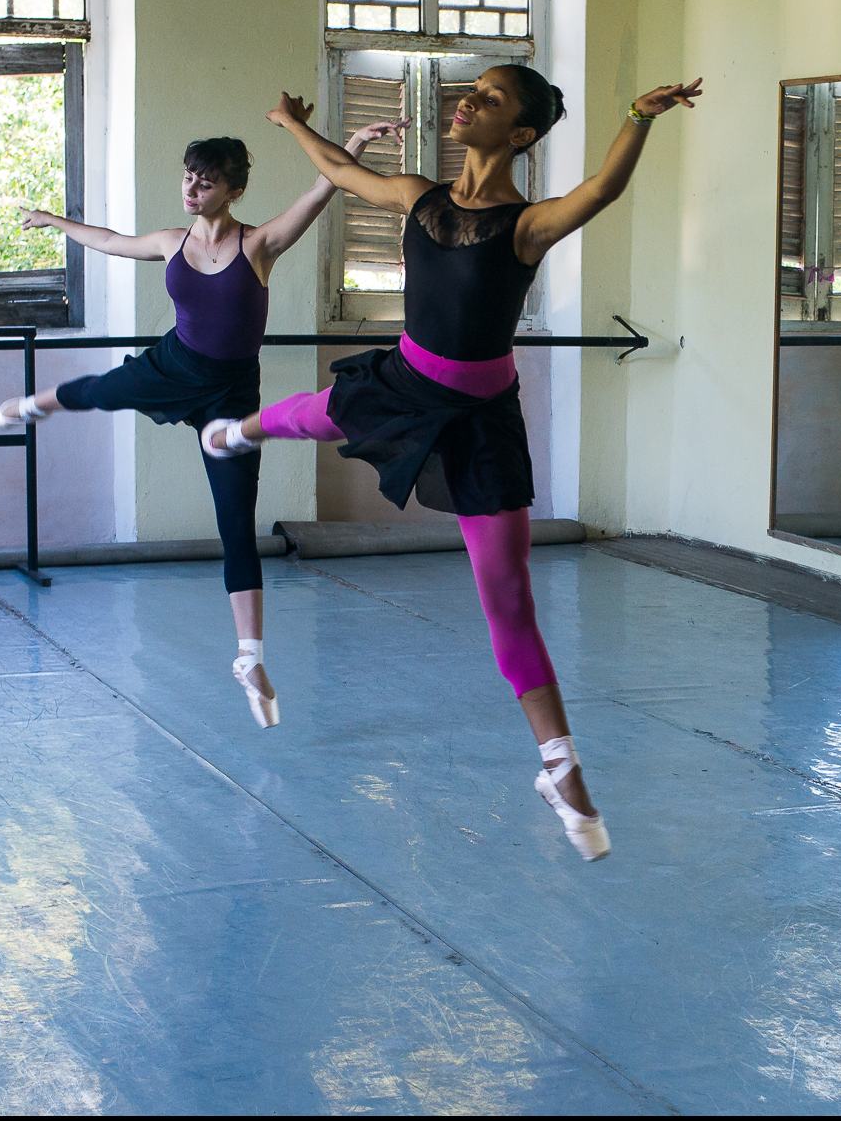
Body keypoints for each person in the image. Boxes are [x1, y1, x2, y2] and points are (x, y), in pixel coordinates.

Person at [201, 66, 704, 860]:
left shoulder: (528, 224)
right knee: (321, 413)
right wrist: (291, 122)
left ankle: (560, 765)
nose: (468, 99)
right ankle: (237, 431)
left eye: (492, 98)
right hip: (407, 377)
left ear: (521, 136)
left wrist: (639, 116)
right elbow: (339, 171)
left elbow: (602, 191)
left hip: (481, 418)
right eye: (471, 89)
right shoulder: (416, 194)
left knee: (507, 598)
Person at [0, 125, 404, 727]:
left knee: (236, 519)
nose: (192, 187)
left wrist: (352, 147)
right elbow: (109, 240)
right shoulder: (169, 240)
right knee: (106, 390)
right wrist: (55, 221)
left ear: (231, 190)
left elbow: (321, 191)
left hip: (231, 393)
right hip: (172, 365)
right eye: (188, 176)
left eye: (206, 181)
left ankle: (250, 658)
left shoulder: (259, 244)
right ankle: (35, 404)